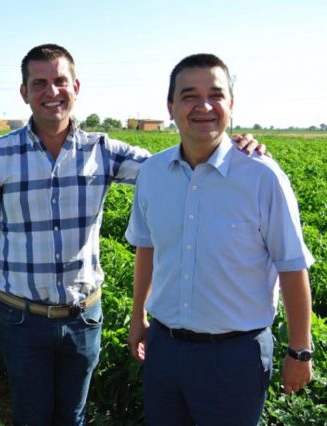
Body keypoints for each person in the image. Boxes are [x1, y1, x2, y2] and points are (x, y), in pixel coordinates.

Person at [0, 44, 263, 425]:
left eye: (60, 81)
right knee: (31, 416)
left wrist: (229, 146)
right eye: (39, 83)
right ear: (24, 92)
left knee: (73, 417)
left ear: (76, 87)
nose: (52, 92)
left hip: (83, 319)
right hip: (21, 318)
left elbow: (173, 165)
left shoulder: (101, 150)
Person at [125, 54, 313, 425]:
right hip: (164, 348)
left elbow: (292, 266)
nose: (204, 106)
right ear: (170, 107)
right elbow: (146, 247)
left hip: (235, 357)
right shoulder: (153, 173)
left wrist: (300, 351)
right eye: (190, 96)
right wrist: (137, 316)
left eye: (215, 95)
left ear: (231, 104)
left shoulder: (262, 177)